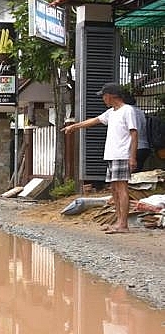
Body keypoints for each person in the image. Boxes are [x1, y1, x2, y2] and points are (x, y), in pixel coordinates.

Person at [62, 82, 138, 234]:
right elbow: (94, 121)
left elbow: (134, 133)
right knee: (114, 189)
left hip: (122, 155)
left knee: (122, 188)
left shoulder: (127, 110)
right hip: (111, 155)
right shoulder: (111, 112)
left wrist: (132, 157)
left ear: (110, 96)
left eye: (104, 96)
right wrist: (74, 127)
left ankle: (123, 225)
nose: (103, 99)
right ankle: (118, 222)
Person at [123, 92, 150, 172]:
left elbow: (132, 132)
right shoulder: (140, 112)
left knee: (126, 178)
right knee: (136, 176)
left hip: (133, 149)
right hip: (144, 146)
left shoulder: (127, 112)